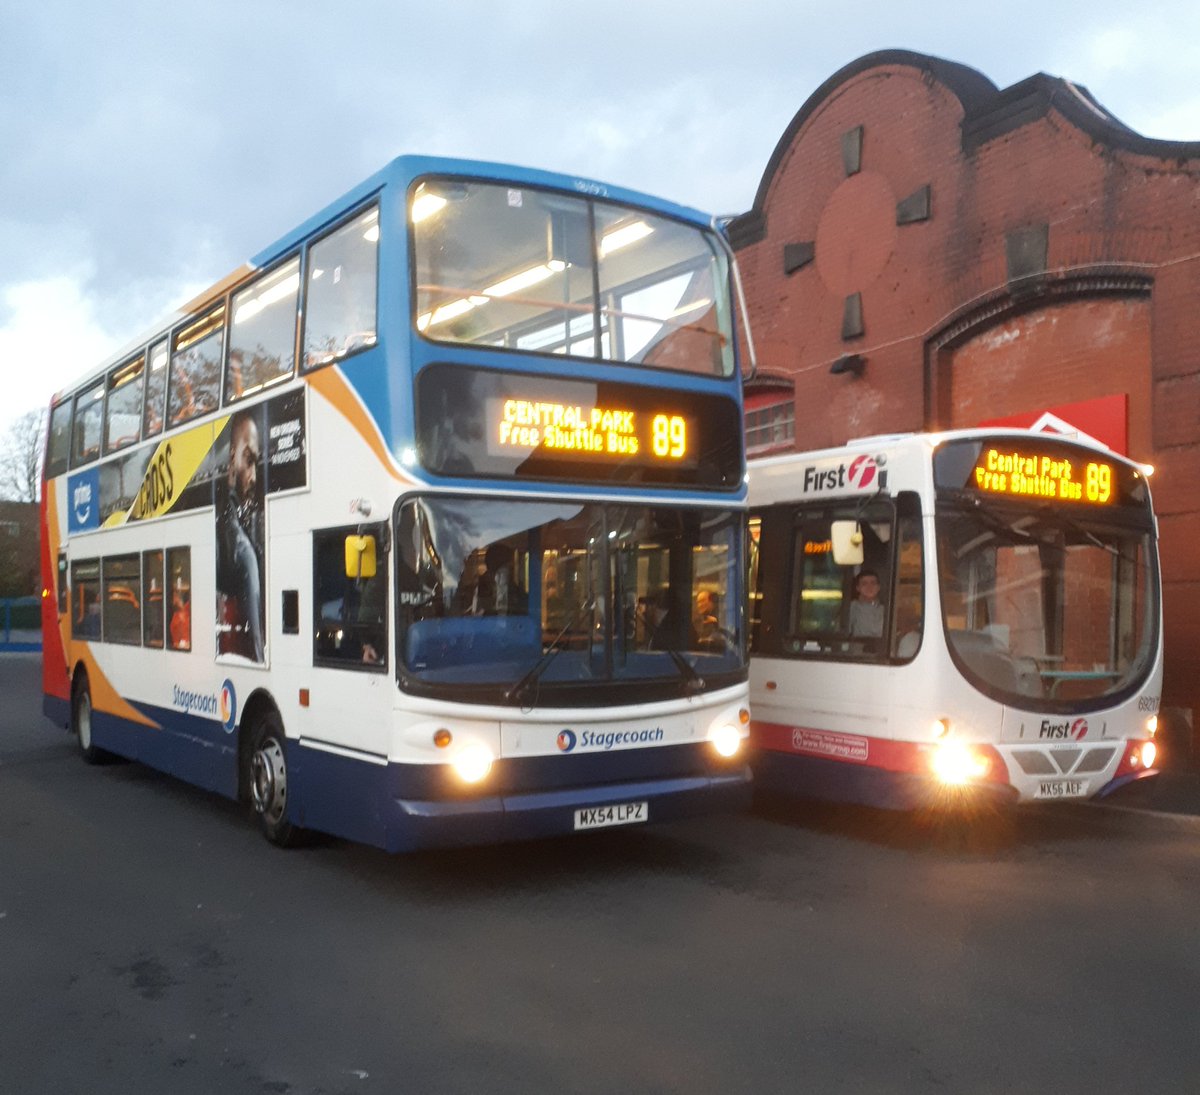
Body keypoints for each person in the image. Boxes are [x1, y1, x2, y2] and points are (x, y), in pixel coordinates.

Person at [216, 410, 265, 660]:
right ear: (232, 460)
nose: (253, 477)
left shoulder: (249, 523)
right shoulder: (241, 550)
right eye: (248, 460)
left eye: (256, 462)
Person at [848, 568, 885, 639]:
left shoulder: (886, 610)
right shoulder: (851, 608)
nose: (869, 587)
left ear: (878, 587)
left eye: (873, 583)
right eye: (864, 584)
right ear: (858, 588)